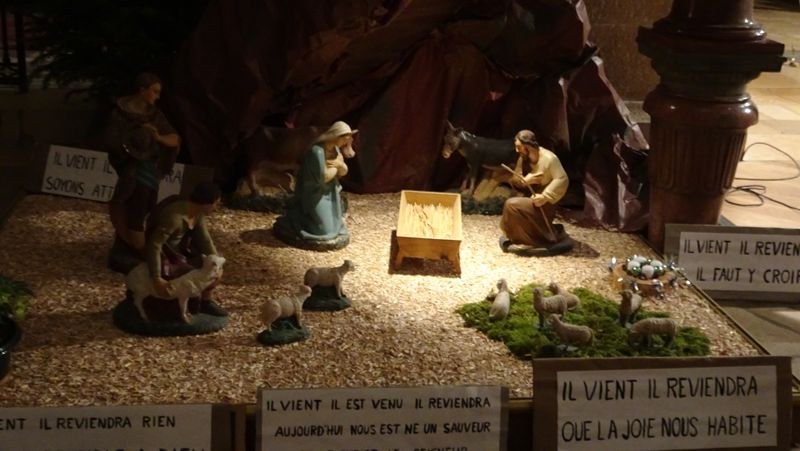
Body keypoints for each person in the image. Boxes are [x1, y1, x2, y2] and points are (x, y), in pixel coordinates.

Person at [105, 72, 180, 272]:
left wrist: (158, 137)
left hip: (149, 169)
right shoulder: (120, 114)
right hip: (132, 170)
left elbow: (174, 138)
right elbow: (112, 141)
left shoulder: (155, 115)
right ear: (142, 90)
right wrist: (133, 147)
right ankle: (136, 248)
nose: (157, 96)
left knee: (148, 205)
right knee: (136, 205)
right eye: (154, 91)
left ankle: (137, 245)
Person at [144, 182, 228, 317]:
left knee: (211, 270)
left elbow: (205, 240)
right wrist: (156, 277)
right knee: (194, 277)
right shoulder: (174, 217)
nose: (216, 208)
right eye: (216, 204)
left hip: (180, 253)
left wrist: (215, 262)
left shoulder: (197, 214)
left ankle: (205, 301)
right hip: (166, 258)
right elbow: (155, 245)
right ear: (206, 203)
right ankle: (185, 306)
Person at [273, 121, 356, 248]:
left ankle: (308, 217)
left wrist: (339, 165)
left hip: (330, 192)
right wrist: (337, 166)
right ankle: (296, 217)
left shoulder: (335, 150)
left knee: (334, 226)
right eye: (345, 139)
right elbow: (323, 178)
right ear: (336, 136)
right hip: (313, 193)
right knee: (324, 230)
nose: (346, 143)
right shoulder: (316, 152)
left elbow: (344, 171)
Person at [499, 130, 572, 254]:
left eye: (519, 147)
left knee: (511, 205)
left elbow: (562, 179)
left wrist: (545, 196)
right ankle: (519, 237)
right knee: (513, 204)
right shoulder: (523, 159)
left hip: (544, 204)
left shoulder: (549, 159)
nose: (516, 150)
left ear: (527, 146)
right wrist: (524, 181)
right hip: (531, 199)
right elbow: (515, 179)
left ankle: (532, 241)